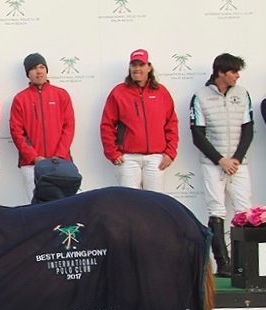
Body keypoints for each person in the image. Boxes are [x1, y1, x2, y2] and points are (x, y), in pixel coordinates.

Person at [191, 53, 254, 277]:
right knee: (216, 210)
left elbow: (248, 129)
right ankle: (224, 265)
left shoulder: (242, 94)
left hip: (239, 164)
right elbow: (197, 135)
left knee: (244, 212)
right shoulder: (200, 96)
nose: (237, 76)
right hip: (213, 164)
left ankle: (245, 264)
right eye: (233, 72)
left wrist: (236, 158)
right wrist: (221, 160)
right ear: (220, 73)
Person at [100, 49, 179, 192]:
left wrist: (170, 152)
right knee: (130, 203)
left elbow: (171, 123)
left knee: (154, 202)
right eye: (134, 65)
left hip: (156, 158)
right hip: (128, 158)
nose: (137, 69)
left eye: (141, 65)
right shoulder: (119, 92)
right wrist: (113, 152)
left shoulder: (161, 92)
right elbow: (107, 124)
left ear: (149, 67)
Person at [9, 53, 75, 205]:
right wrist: (34, 157)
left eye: (41, 67)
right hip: (32, 165)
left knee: (63, 207)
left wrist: (59, 155)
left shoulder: (61, 95)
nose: (38, 71)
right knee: (34, 209)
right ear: (28, 73)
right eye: (33, 68)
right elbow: (17, 132)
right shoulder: (20, 99)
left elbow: (69, 127)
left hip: (60, 162)